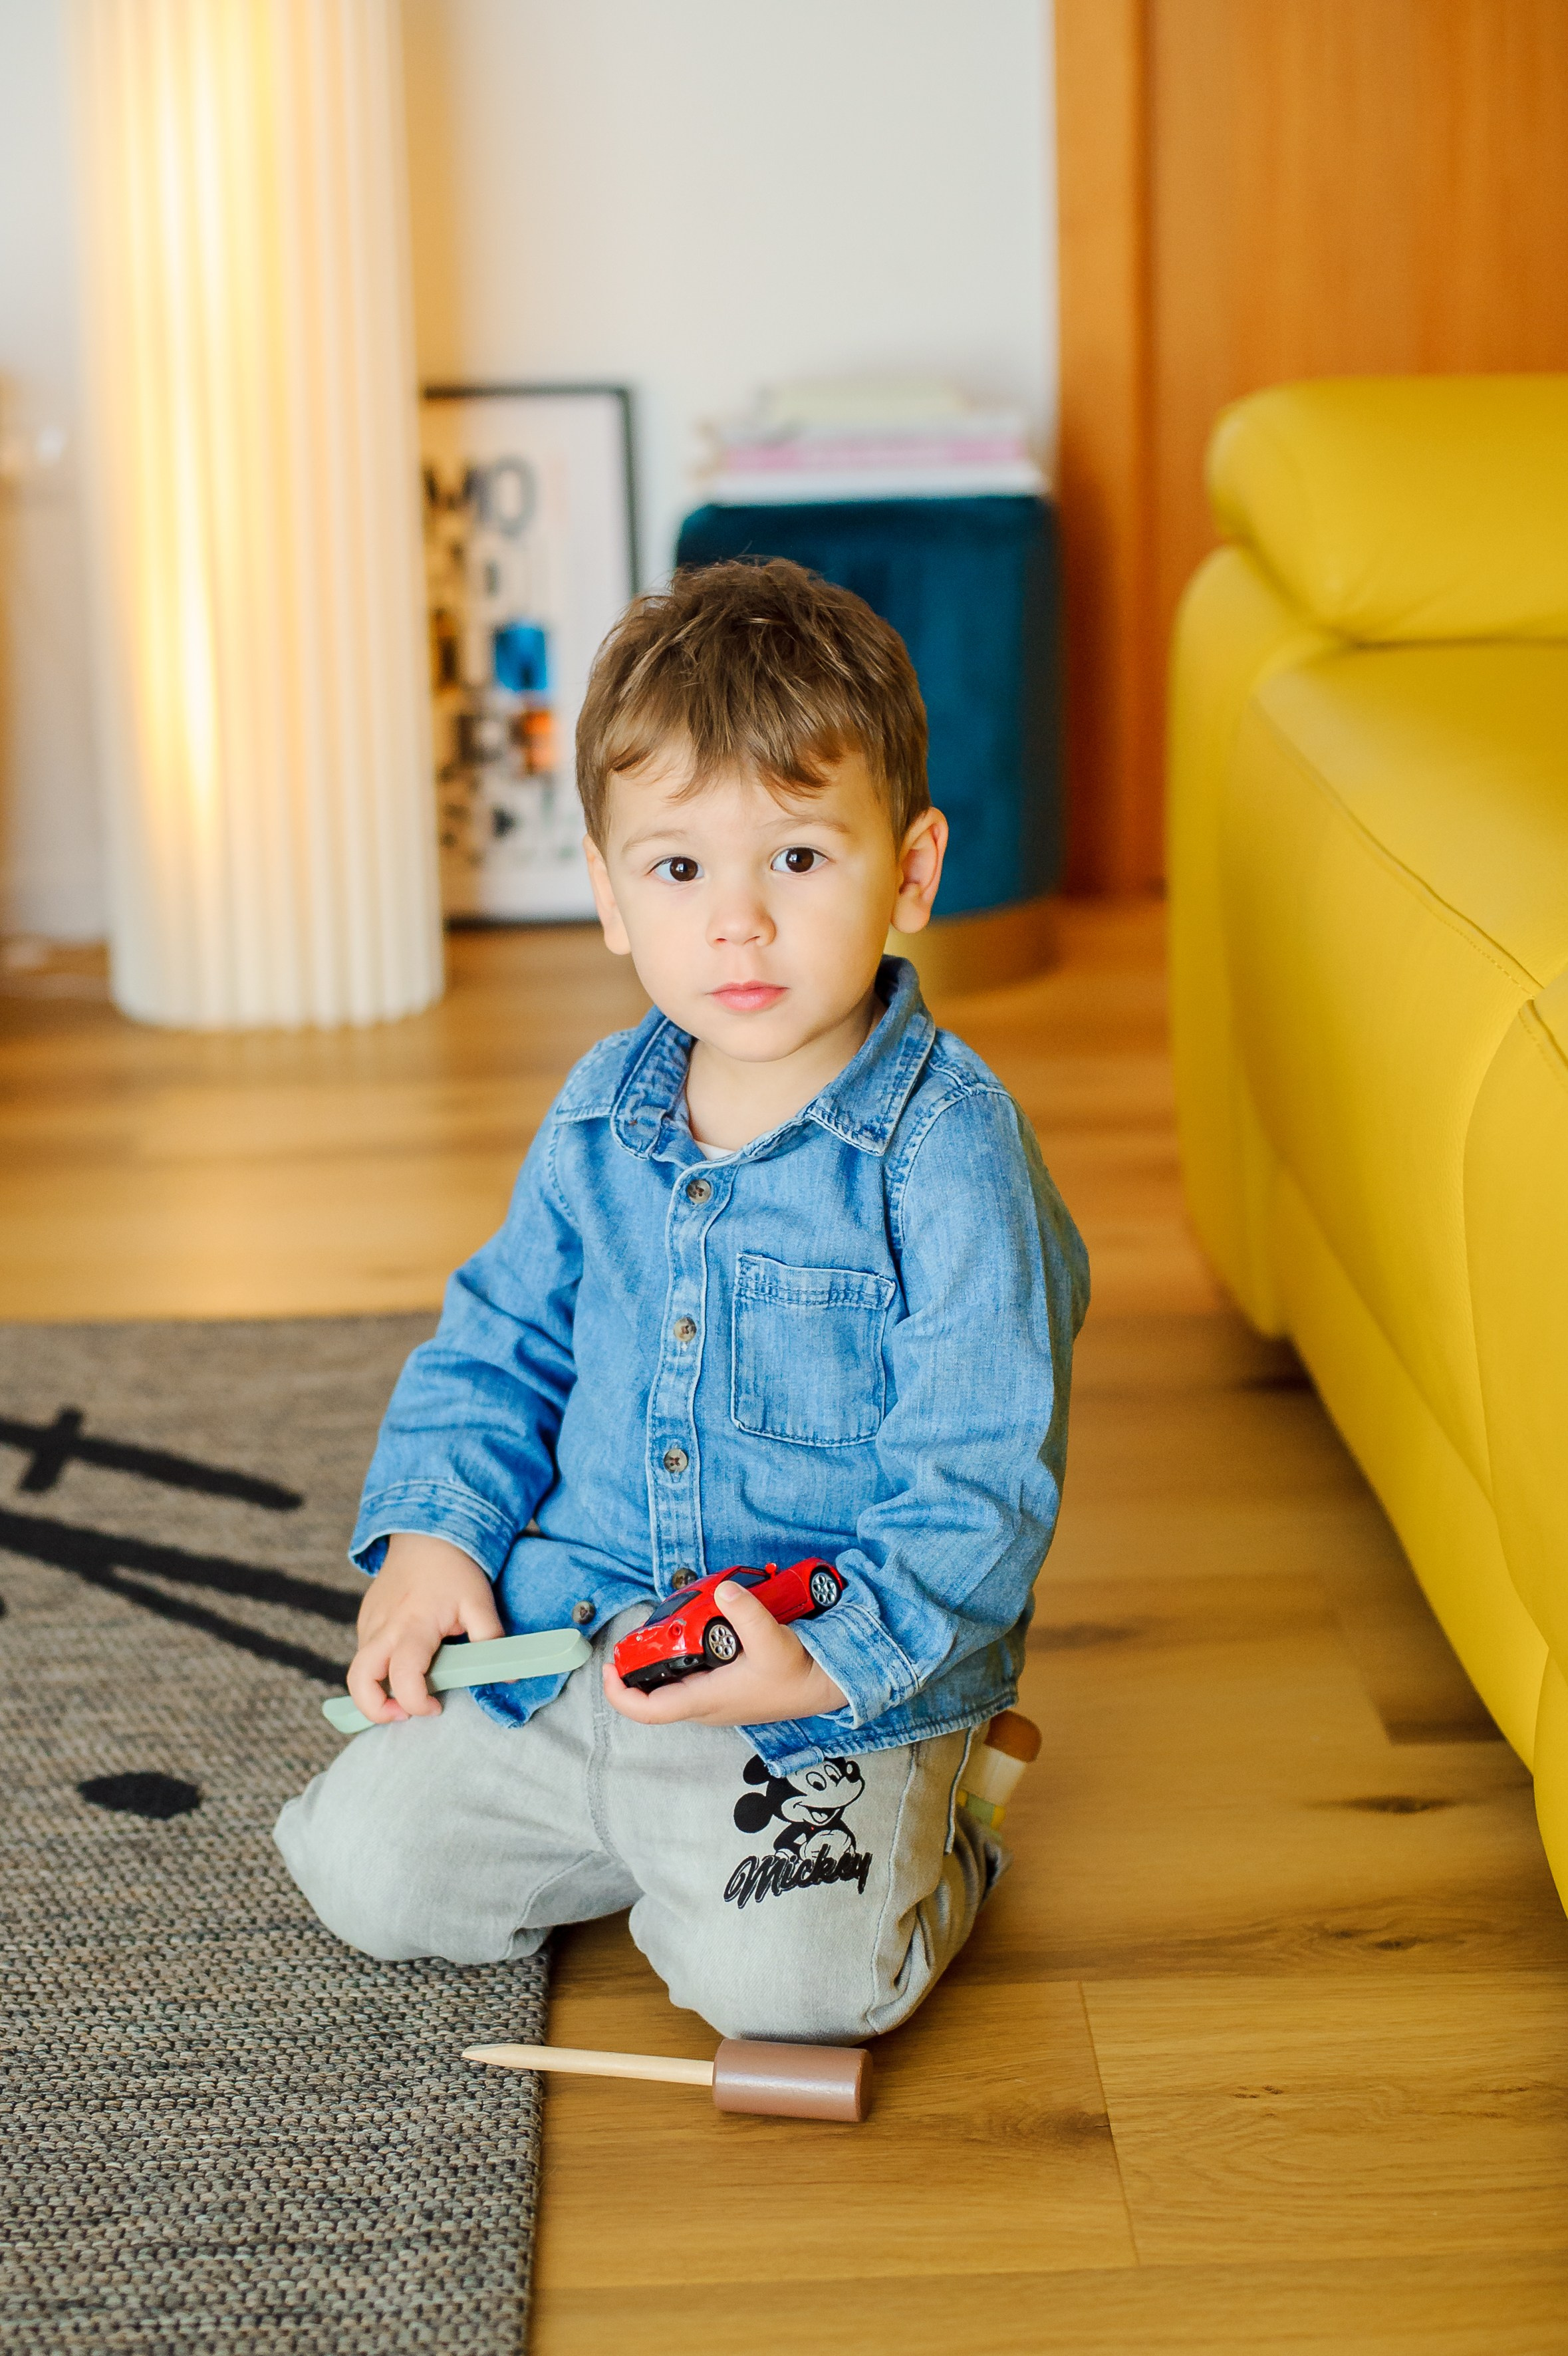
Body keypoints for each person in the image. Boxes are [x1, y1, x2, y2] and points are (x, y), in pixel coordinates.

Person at [275, 559, 1089, 2041]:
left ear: (910, 870)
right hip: (581, 1643)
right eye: (678, 868)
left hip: (816, 1676)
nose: (738, 926)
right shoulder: (602, 1108)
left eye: (796, 859)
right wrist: (434, 1531)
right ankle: (649, 1839)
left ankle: (947, 1812)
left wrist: (833, 1652)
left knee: (794, 1989)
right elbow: (501, 1340)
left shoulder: (949, 1153)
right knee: (359, 1867)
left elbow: (982, 1471)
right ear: (605, 890)